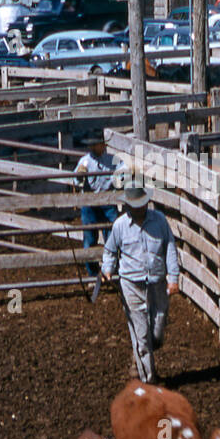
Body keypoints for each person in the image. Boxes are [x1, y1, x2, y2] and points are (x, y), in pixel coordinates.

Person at [101, 185, 179, 384]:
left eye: (142, 204)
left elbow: (169, 246)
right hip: (131, 284)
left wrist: (173, 277)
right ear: (128, 205)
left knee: (158, 329)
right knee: (142, 335)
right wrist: (108, 269)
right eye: (135, 205)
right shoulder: (120, 226)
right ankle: (148, 380)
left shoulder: (159, 220)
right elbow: (110, 250)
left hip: (157, 282)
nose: (139, 208)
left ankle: (140, 358)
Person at [74, 134, 121, 277]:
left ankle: (112, 270)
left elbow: (123, 173)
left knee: (113, 237)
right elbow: (76, 181)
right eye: (96, 144)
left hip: (108, 201)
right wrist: (79, 175)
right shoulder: (85, 162)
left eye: (100, 144)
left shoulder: (112, 160)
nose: (98, 147)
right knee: (89, 240)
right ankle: (93, 273)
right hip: (90, 202)